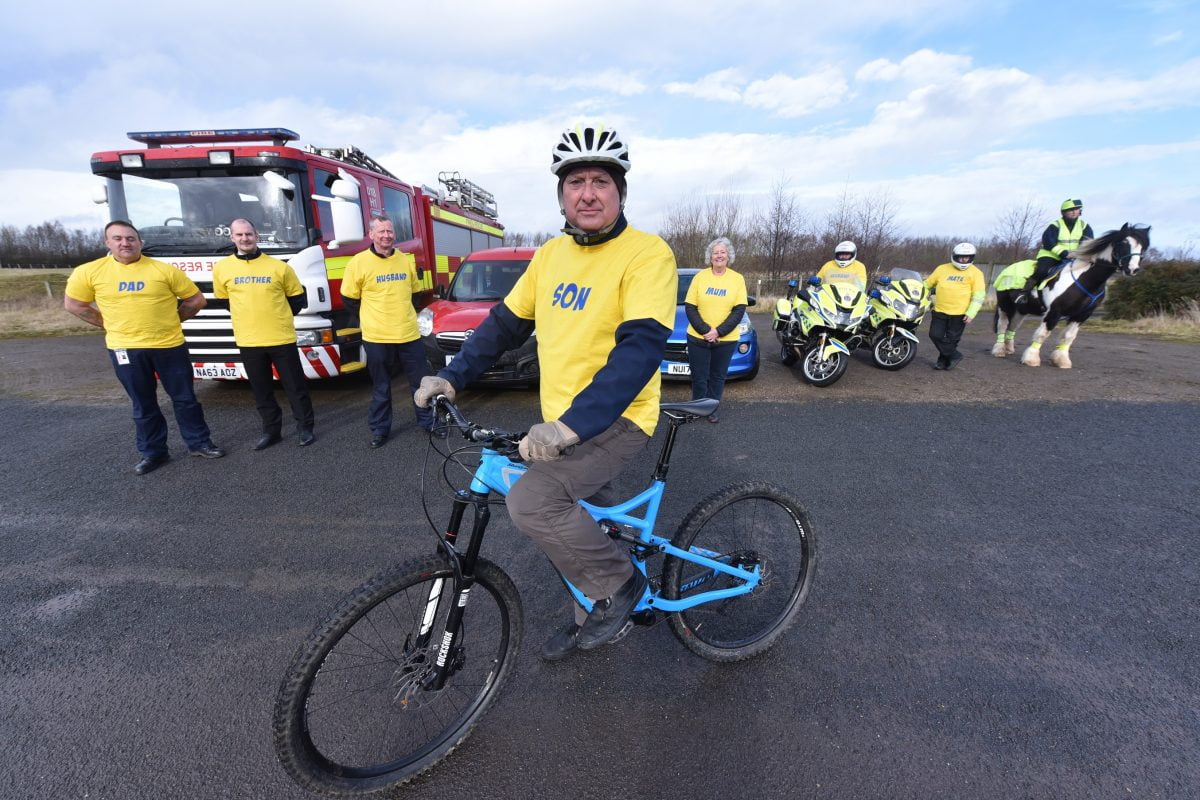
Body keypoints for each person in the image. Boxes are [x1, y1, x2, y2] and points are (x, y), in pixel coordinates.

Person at [414, 124, 677, 661]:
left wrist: (569, 427)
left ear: (620, 192)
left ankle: (623, 589)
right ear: (560, 195)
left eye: (601, 181)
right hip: (562, 423)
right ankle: (593, 616)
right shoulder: (550, 256)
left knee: (533, 502)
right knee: (577, 527)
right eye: (575, 181)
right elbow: (504, 325)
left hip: (617, 421)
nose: (588, 193)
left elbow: (638, 353)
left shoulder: (647, 255)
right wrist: (454, 375)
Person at [64, 220, 225, 474]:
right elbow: (74, 305)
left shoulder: (163, 271)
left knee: (185, 399)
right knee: (143, 403)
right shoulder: (89, 272)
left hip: (169, 346)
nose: (124, 243)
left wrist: (175, 319)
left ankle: (200, 443)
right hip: (125, 349)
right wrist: (106, 324)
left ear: (140, 243)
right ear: (108, 243)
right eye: (117, 238)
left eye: (130, 238)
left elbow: (196, 300)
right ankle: (153, 453)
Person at [211, 219, 315, 449]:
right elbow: (224, 301)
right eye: (239, 235)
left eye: (248, 234)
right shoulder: (222, 268)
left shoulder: (279, 267)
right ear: (232, 237)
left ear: (257, 235)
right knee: (261, 391)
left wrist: (274, 316)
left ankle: (305, 428)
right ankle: (271, 431)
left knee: (295, 388)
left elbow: (296, 300)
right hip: (249, 340)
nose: (244, 238)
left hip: (281, 338)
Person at [341, 215, 440, 448]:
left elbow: (415, 294)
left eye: (390, 231)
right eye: (381, 231)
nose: (386, 235)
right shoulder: (358, 262)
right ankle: (380, 429)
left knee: (421, 383)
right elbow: (349, 300)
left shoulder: (405, 260)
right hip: (376, 337)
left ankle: (428, 423)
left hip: (408, 334)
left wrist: (400, 314)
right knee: (382, 387)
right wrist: (373, 318)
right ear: (371, 234)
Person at [684, 236, 748, 423]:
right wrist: (705, 330)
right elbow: (690, 306)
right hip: (697, 337)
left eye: (722, 252)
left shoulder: (737, 279)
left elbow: (739, 310)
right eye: (715, 252)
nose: (719, 255)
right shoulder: (700, 277)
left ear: (728, 256)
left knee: (718, 377)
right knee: (699, 377)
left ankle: (710, 410)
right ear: (710, 257)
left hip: (726, 340)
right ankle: (697, 409)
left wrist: (718, 332)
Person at [1022, 198, 1094, 312]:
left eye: (1077, 209)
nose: (1074, 212)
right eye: (1070, 210)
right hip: (1051, 255)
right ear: (1064, 212)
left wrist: (1078, 254)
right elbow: (1049, 242)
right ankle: (1025, 293)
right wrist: (1064, 253)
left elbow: (1087, 242)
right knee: (1042, 271)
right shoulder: (1055, 225)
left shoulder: (1084, 226)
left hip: (1074, 257)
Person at [925, 242, 986, 370]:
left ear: (972, 257)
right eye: (961, 257)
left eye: (967, 257)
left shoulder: (976, 273)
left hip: (960, 314)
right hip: (940, 310)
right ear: (954, 256)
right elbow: (927, 284)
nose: (964, 260)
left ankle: (942, 361)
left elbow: (978, 296)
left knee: (952, 340)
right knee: (935, 335)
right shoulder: (942, 269)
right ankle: (955, 355)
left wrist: (971, 313)